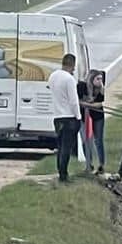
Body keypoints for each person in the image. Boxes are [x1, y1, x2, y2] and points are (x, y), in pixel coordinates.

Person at [48, 52, 83, 183]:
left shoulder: (53, 76)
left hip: (57, 116)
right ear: (72, 64)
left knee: (60, 146)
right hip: (69, 117)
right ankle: (64, 174)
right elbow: (74, 101)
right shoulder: (69, 79)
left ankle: (60, 170)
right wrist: (78, 117)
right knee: (67, 148)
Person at [83, 68, 109, 174]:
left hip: (98, 116)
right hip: (85, 116)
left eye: (101, 79)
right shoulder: (82, 87)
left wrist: (87, 104)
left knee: (98, 140)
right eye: (97, 79)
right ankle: (89, 164)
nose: (100, 81)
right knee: (86, 140)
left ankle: (101, 164)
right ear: (91, 79)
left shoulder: (101, 88)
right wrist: (89, 105)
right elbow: (78, 101)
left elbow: (99, 104)